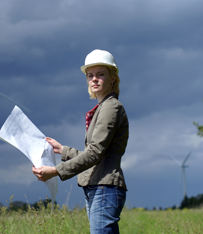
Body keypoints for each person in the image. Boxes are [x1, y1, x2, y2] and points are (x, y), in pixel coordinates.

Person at [32, 49, 129, 234]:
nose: (94, 79)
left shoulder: (111, 108)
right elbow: (97, 154)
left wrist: (55, 171)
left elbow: (94, 153)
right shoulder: (103, 107)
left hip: (104, 187)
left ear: (113, 78)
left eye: (101, 74)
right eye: (90, 75)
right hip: (98, 187)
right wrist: (63, 150)